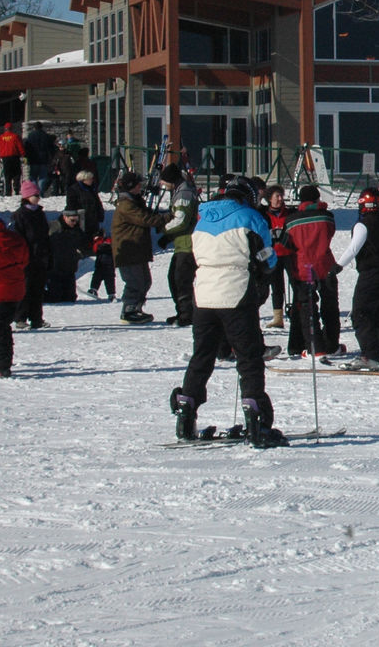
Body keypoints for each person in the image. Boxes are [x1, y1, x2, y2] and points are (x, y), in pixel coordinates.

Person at [168, 176, 286, 447]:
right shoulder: (250, 216)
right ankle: (256, 420)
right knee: (249, 357)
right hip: (236, 293)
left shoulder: (202, 218)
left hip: (204, 294)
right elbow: (268, 259)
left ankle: (186, 411)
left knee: (203, 355)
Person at [335, 187, 379, 372]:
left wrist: (337, 266)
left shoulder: (363, 224)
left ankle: (370, 356)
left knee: (361, 314)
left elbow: (353, 248)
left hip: (371, 274)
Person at [282, 185, 342, 357]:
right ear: (317, 198)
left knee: (308, 307)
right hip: (325, 265)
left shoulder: (292, 220)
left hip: (304, 268)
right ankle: (332, 344)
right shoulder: (327, 217)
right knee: (330, 306)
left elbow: (287, 243)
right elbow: (330, 233)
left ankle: (315, 346)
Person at [110, 170, 171, 324]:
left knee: (145, 281)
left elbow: (148, 213)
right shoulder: (126, 205)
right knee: (135, 281)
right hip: (129, 252)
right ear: (131, 187)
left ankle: (136, 308)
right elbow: (145, 219)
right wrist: (169, 216)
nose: (140, 188)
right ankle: (129, 310)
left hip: (137, 250)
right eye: (137, 186)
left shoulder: (135, 201)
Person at [0, 203, 30, 378]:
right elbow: (25, 260)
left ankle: (2, 367)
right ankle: (2, 363)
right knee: (2, 328)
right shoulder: (13, 237)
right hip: (16, 289)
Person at [158, 163, 199, 327]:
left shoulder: (184, 194)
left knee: (181, 279)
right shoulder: (180, 191)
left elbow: (181, 220)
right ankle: (182, 311)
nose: (162, 184)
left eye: (164, 181)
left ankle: (187, 313)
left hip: (188, 245)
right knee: (174, 278)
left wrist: (164, 230)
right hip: (182, 243)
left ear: (171, 180)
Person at [10, 181, 51, 329]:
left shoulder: (40, 213)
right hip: (26, 258)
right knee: (25, 289)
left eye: (38, 195)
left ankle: (36, 318)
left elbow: (46, 235)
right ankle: (20, 318)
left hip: (40, 257)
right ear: (27, 196)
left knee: (38, 289)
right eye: (35, 195)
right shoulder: (20, 215)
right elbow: (18, 238)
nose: (37, 198)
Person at [259, 184, 293, 332]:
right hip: (273, 255)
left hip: (290, 254)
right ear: (269, 199)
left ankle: (297, 312)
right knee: (276, 286)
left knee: (295, 283)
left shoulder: (290, 213)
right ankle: (278, 317)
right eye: (276, 196)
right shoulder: (264, 215)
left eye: (281, 196)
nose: (280, 199)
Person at [45, 209, 89, 303]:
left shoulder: (77, 230)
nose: (74, 223)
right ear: (65, 217)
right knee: (55, 298)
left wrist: (80, 253)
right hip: (54, 269)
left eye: (76, 221)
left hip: (69, 269)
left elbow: (84, 245)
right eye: (72, 220)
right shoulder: (54, 227)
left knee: (70, 298)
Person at [23, 122, 57, 195]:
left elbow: (27, 147)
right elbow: (51, 148)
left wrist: (26, 157)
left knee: (33, 176)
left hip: (33, 159)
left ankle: (34, 192)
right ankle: (40, 192)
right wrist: (51, 157)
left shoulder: (31, 136)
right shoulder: (46, 136)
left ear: (34, 127)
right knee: (43, 176)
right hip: (44, 159)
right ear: (41, 127)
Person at [0, 122, 24, 196]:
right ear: (11, 129)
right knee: (16, 173)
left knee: (7, 175)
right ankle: (16, 189)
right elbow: (20, 147)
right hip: (15, 157)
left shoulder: (0, 137)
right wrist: (23, 155)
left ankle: (8, 191)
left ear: (5, 129)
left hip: (5, 158)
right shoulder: (15, 136)